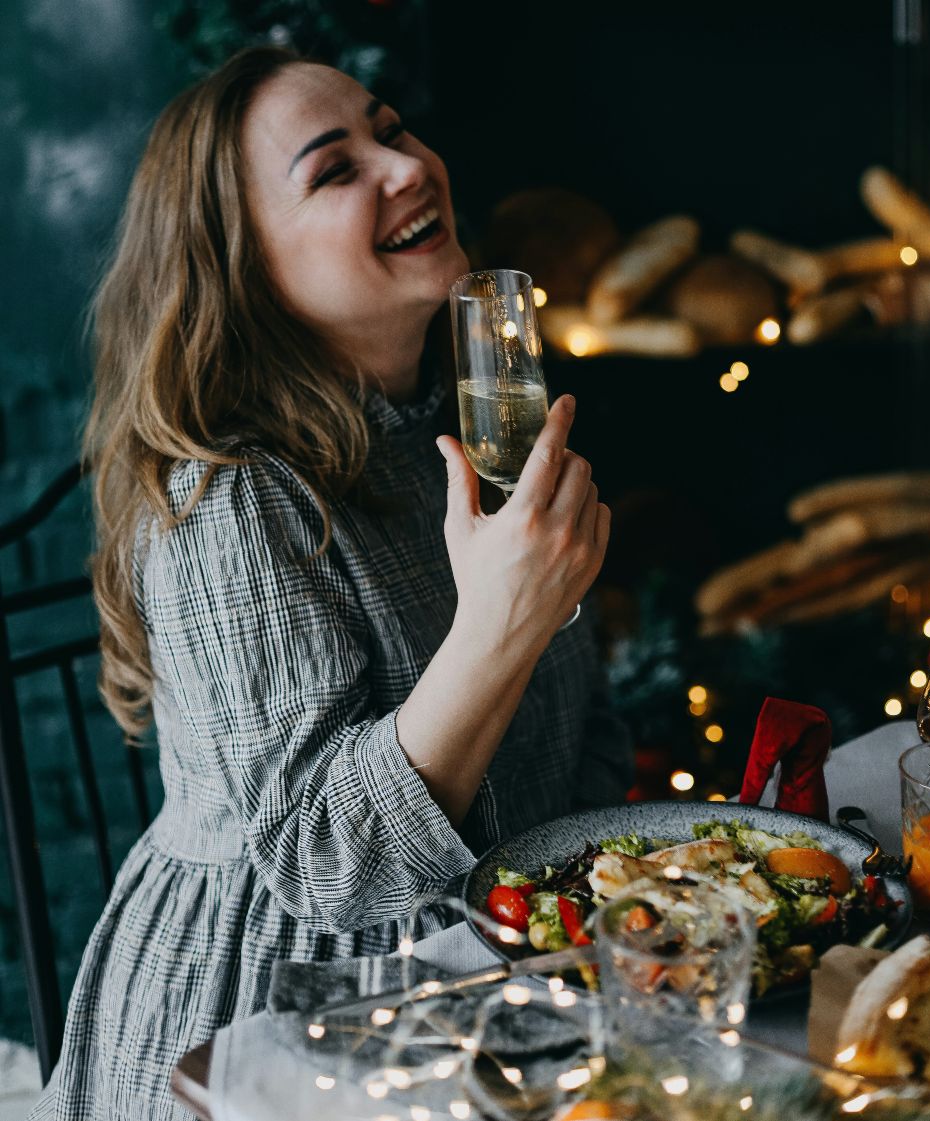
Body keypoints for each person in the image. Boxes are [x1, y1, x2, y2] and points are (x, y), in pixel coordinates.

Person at [29, 45, 632, 1120]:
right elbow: (325, 861)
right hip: (263, 1030)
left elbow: (575, 726)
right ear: (244, 267)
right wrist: (501, 623)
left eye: (391, 128)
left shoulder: (464, 429)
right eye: (333, 169)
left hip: (500, 979)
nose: (404, 167)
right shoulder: (227, 495)